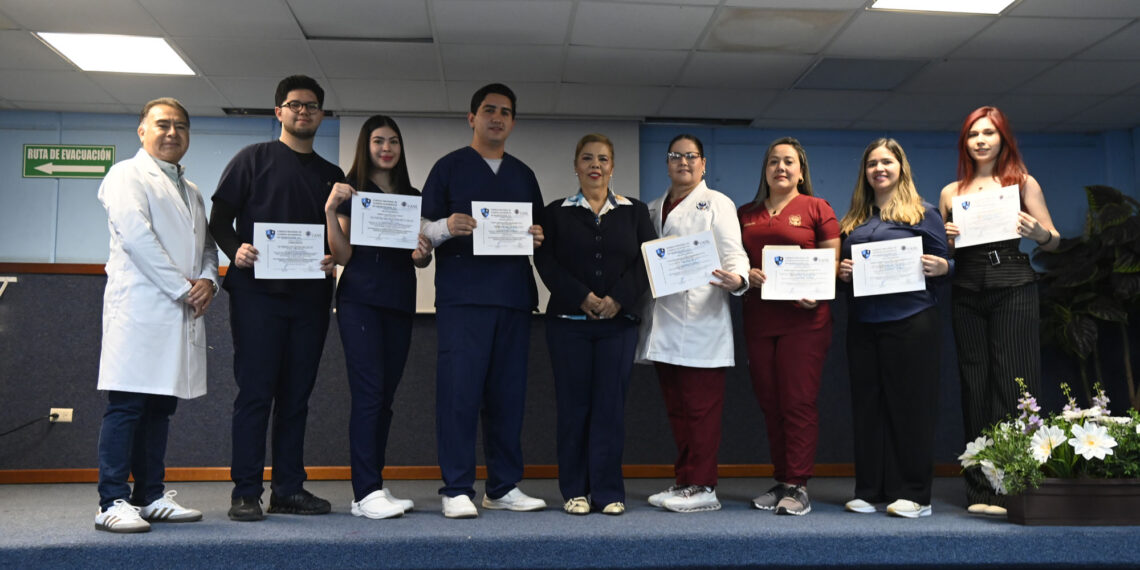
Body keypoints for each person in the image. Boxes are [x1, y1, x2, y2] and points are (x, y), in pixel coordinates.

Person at [208, 75, 341, 522]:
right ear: (278, 112)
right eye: (295, 105)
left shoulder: (332, 175)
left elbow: (339, 239)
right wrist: (235, 250)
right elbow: (219, 222)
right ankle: (245, 491)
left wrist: (332, 259)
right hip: (257, 297)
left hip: (310, 300)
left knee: (297, 396)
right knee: (256, 393)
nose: (303, 112)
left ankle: (288, 489)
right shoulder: (251, 160)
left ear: (321, 115)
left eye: (312, 106)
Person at [420, 83, 547, 519]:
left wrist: (537, 235)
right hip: (464, 299)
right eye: (488, 110)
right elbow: (419, 232)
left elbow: (538, 232)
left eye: (505, 112)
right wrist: (443, 227)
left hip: (512, 299)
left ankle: (503, 485)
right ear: (471, 118)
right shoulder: (448, 168)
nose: (497, 118)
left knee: (507, 396)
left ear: (513, 122)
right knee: (459, 394)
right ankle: (456, 487)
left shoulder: (524, 174)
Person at [94, 97, 218, 533]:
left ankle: (149, 495)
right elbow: (136, 238)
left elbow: (206, 245)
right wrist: (184, 288)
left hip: (179, 307)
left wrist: (209, 279)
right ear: (142, 131)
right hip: (142, 308)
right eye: (162, 124)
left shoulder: (193, 189)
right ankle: (112, 499)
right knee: (127, 403)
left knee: (161, 405)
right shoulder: (126, 175)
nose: (172, 133)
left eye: (180, 126)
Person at [939, 107, 1059, 517]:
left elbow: (1053, 240)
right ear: (965, 142)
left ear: (1003, 138)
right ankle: (980, 491)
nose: (981, 140)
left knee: (1014, 383)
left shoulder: (1022, 182)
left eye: (989, 132)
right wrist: (949, 241)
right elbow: (947, 254)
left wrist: (1037, 232)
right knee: (975, 383)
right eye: (973, 134)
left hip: (1013, 285)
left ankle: (1016, 486)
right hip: (967, 288)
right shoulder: (951, 192)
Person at [534, 134, 656, 516]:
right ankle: (575, 490)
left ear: (613, 167)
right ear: (576, 166)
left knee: (609, 409)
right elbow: (547, 263)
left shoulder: (635, 212)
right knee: (574, 408)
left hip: (618, 325)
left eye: (602, 159)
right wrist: (582, 297)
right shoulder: (555, 212)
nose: (595, 165)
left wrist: (618, 298)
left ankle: (607, 491)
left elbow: (647, 261)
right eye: (587, 158)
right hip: (568, 324)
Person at [324, 115, 433, 520]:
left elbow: (419, 259)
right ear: (364, 146)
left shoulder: (411, 195)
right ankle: (364, 491)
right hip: (361, 302)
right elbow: (343, 256)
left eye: (393, 141)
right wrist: (330, 211)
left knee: (385, 399)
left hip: (400, 301)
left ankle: (372, 488)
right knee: (369, 396)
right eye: (377, 141)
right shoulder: (351, 191)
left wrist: (424, 255)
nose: (386, 148)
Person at [837, 138, 951, 519]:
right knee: (869, 409)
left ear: (901, 167)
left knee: (911, 409)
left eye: (887, 161)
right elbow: (841, 275)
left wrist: (943, 267)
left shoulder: (923, 213)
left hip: (911, 322)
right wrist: (843, 273)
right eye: (872, 163)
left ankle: (915, 494)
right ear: (864, 173)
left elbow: (950, 262)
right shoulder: (853, 221)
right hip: (864, 325)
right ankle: (871, 490)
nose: (879, 169)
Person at [639, 134, 750, 513]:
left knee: (701, 412)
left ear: (704, 164)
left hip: (702, 321)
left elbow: (735, 254)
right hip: (665, 322)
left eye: (691, 156)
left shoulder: (717, 203)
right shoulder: (654, 207)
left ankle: (704, 486)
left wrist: (739, 279)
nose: (683, 162)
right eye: (675, 156)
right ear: (667, 163)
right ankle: (686, 480)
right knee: (678, 410)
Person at [737, 137, 840, 516]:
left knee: (797, 402)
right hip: (760, 320)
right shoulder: (745, 213)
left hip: (804, 321)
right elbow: (736, 261)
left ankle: (798, 485)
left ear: (801, 171)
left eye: (789, 162)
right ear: (765, 170)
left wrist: (818, 290)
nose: (781, 167)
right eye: (774, 162)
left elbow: (831, 263)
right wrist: (747, 274)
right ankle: (782, 479)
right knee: (771, 404)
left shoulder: (817, 207)